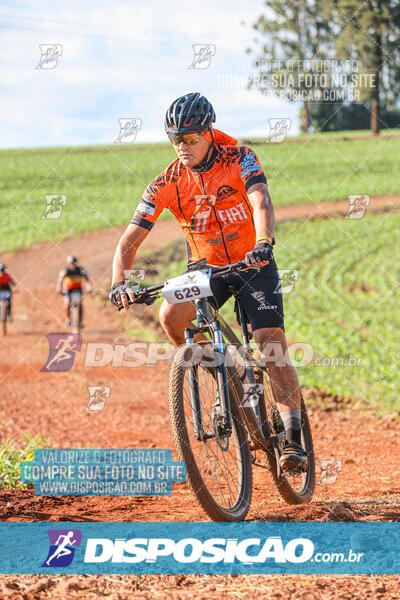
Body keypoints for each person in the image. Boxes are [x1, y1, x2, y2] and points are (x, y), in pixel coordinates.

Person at [109, 92, 307, 472]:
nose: (182, 146)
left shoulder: (239, 156)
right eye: (175, 139)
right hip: (206, 269)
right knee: (171, 316)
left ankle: (293, 439)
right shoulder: (168, 180)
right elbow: (129, 240)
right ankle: (220, 371)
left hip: (252, 263)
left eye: (190, 138)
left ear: (209, 131)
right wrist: (120, 282)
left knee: (271, 344)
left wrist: (264, 242)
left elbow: (260, 200)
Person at [57, 256, 91, 328]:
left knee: (80, 304)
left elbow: (87, 279)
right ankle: (68, 319)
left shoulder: (81, 270)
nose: (72, 265)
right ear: (68, 264)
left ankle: (80, 321)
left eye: (73, 263)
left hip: (78, 289)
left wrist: (89, 286)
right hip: (68, 290)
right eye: (71, 263)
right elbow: (60, 281)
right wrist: (59, 288)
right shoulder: (65, 271)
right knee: (67, 304)